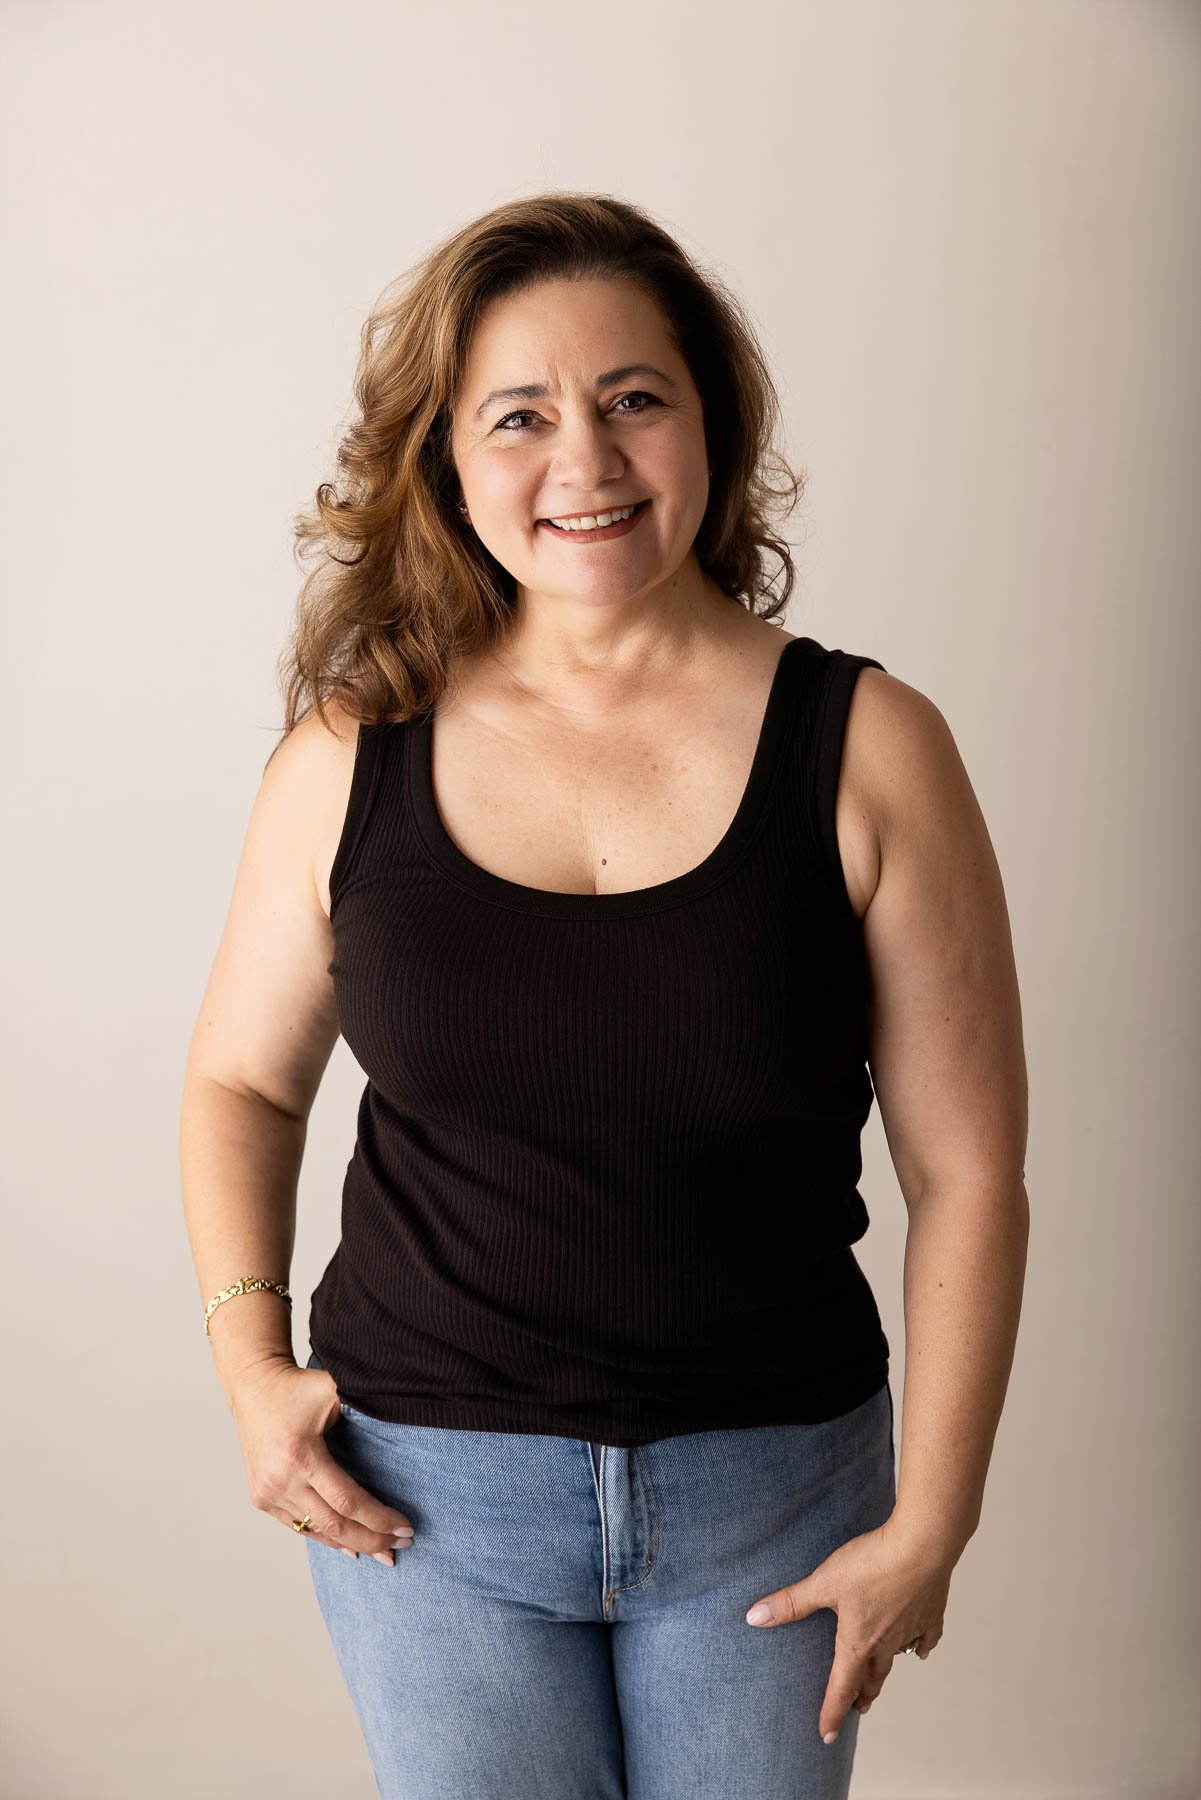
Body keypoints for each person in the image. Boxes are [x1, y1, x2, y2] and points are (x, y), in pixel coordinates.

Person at [180, 192, 1029, 1800]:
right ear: (444, 457)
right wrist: (249, 1371)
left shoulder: (869, 747)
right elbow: (243, 1082)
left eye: (634, 398)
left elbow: (968, 1171)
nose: (586, 460)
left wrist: (936, 1518)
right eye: (519, 415)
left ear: (711, 425)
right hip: (426, 1503)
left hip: (775, 1496)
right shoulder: (349, 757)